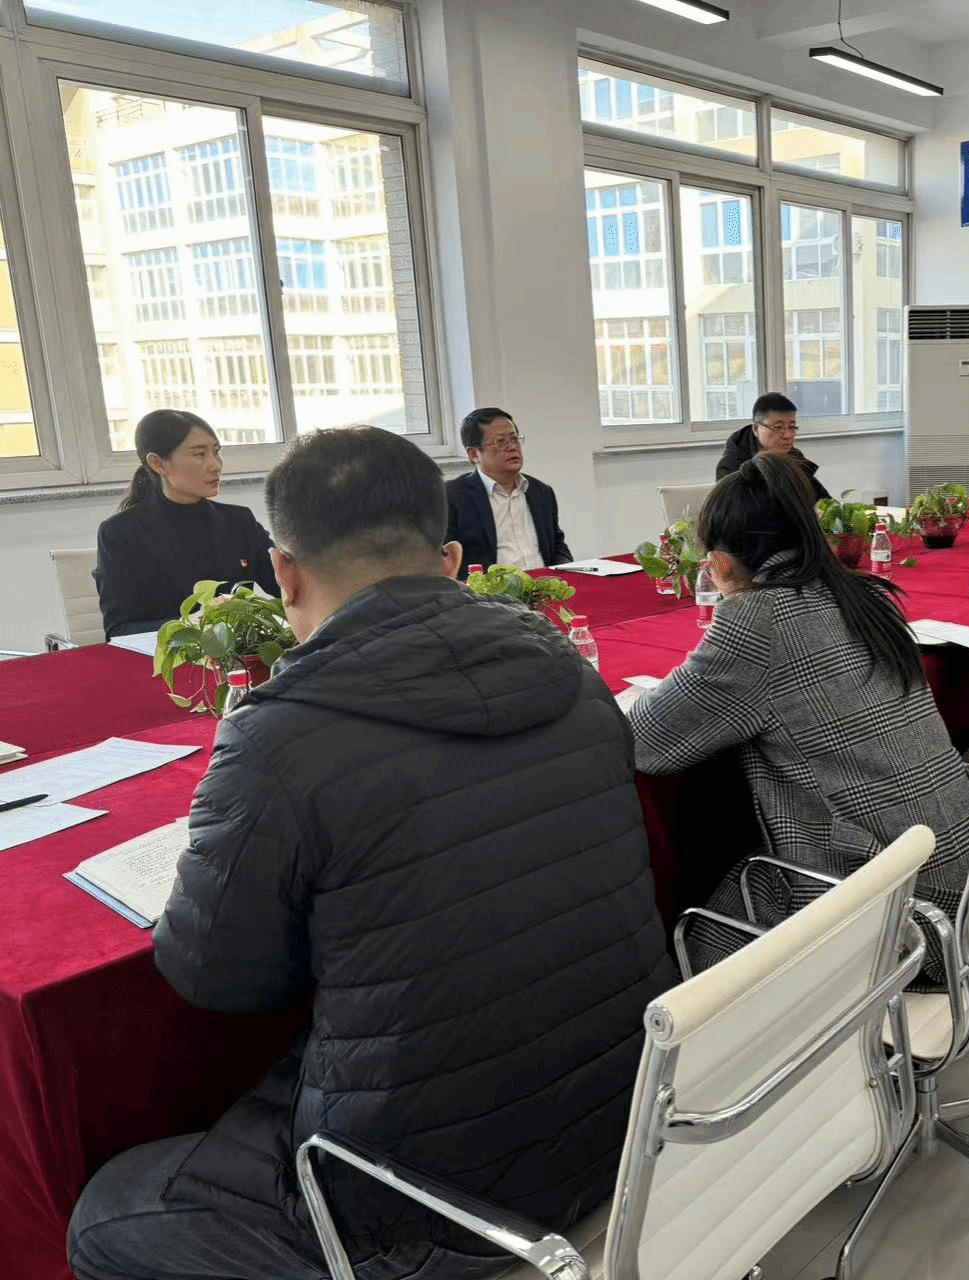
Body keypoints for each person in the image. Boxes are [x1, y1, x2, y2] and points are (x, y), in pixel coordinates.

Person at [68, 427, 674, 1280]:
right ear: (453, 560)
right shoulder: (575, 678)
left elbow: (217, 979)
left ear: (283, 574)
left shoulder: (280, 735)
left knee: (104, 1213)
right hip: (628, 1117)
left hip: (430, 1200)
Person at [627, 451, 969, 977]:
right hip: (967, 868)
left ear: (719, 565)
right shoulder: (864, 593)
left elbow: (643, 740)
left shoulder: (757, 620)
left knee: (690, 955)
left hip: (895, 908)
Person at [93, 410, 279, 640]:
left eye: (216, 452)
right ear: (158, 463)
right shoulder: (120, 533)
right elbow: (119, 630)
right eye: (200, 454)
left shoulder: (239, 521)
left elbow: (288, 586)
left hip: (239, 654)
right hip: (165, 657)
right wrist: (191, 624)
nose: (216, 465)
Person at [444, 407, 571, 576]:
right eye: (500, 442)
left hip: (544, 586)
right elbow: (444, 563)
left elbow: (557, 546)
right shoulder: (452, 497)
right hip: (492, 591)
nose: (512, 447)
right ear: (474, 454)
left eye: (514, 439)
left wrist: (564, 575)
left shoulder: (541, 492)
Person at [715, 392, 831, 501]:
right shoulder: (732, 466)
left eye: (792, 427)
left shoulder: (795, 458)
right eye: (778, 427)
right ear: (757, 429)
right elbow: (733, 511)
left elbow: (822, 500)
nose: (788, 435)